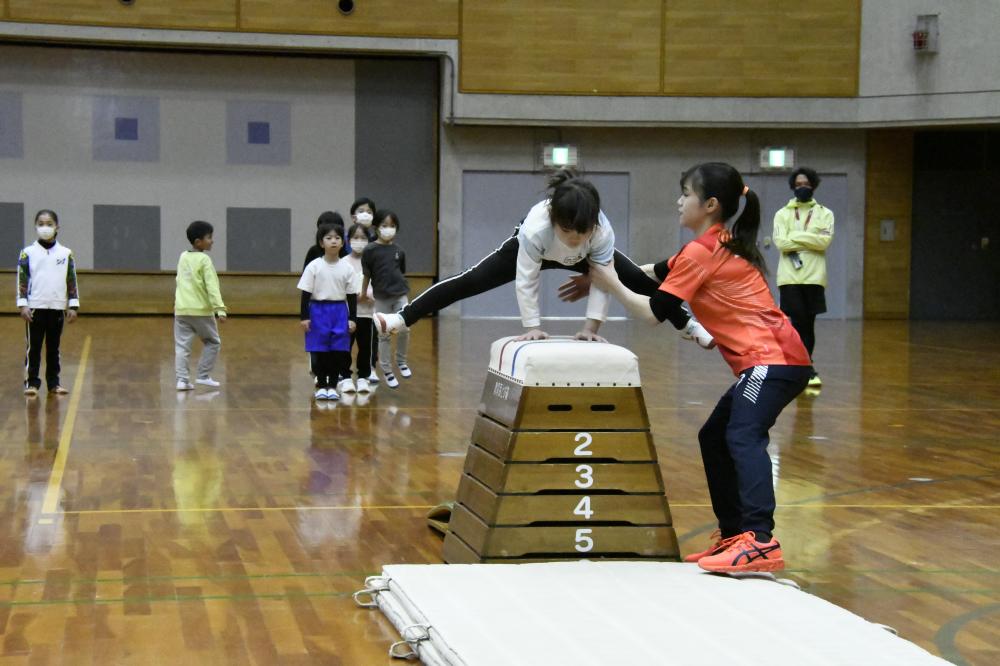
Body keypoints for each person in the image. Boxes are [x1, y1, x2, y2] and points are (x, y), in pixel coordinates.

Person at [589, 162, 812, 573]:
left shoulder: (702, 251)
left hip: (772, 359)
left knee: (743, 435)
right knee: (715, 436)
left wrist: (608, 284)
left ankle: (760, 540)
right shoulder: (712, 245)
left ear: (709, 205)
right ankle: (734, 536)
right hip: (775, 361)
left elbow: (652, 312)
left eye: (685, 193)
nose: (678, 201)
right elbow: (650, 273)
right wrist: (596, 271)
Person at [372, 169, 666, 344]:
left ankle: (689, 324)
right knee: (471, 280)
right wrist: (532, 327)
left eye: (582, 231)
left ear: (593, 225)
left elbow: (604, 282)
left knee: (637, 279)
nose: (574, 238)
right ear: (553, 221)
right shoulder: (536, 228)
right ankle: (401, 318)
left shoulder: (601, 231)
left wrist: (591, 328)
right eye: (567, 231)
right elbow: (527, 279)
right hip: (535, 248)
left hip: (584, 256)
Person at [772, 167, 834, 389]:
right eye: (798, 185)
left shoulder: (825, 213)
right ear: (792, 187)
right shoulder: (782, 214)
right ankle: (803, 367)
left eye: (805, 184)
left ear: (813, 185)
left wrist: (795, 236)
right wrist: (810, 239)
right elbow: (781, 243)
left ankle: (804, 368)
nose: (802, 188)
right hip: (790, 278)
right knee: (797, 322)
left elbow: (824, 242)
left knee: (808, 324)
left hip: (814, 278)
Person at [17, 209, 80, 396]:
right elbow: (22, 279)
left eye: (49, 224)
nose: (45, 227)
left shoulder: (66, 253)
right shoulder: (27, 253)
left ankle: (54, 383)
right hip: (35, 307)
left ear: (57, 227)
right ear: (36, 226)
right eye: (41, 223)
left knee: (54, 347)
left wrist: (73, 305)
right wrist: (23, 304)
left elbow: (71, 279)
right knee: (33, 347)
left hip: (57, 307)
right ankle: (32, 382)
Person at [299, 222, 358, 401]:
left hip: (339, 310)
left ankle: (332, 385)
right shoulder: (314, 266)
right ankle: (321, 384)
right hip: (318, 310)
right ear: (321, 242)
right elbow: (305, 293)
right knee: (318, 350)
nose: (333, 241)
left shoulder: (347, 268)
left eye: (337, 238)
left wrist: (352, 318)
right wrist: (304, 317)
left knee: (338, 350)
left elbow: (352, 296)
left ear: (343, 243)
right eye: (329, 238)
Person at [174, 220, 227, 391]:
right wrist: (220, 309)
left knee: (182, 346)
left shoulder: (183, 256)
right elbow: (212, 286)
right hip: (201, 311)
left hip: (181, 310)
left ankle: (182, 380)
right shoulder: (204, 260)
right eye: (209, 237)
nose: (212, 241)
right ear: (198, 242)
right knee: (213, 342)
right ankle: (203, 375)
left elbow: (179, 281)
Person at [361, 210, 410, 388]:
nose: (388, 229)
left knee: (405, 328)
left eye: (392, 226)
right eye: (384, 225)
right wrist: (363, 292)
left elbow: (401, 272)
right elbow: (366, 274)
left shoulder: (399, 251)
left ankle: (401, 361)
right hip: (381, 298)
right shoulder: (370, 250)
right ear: (376, 227)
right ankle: (387, 370)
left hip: (400, 294)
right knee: (384, 334)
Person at [344, 223, 376, 393]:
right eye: (355, 237)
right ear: (348, 240)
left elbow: (379, 285)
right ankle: (346, 376)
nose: (359, 241)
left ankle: (363, 376)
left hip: (368, 313)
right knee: (345, 346)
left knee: (365, 347)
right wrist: (353, 295)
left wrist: (368, 294)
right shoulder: (343, 262)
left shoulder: (373, 262)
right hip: (348, 313)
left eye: (363, 237)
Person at [350, 198, 379, 383]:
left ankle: (369, 369)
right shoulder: (344, 247)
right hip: (350, 307)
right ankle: (341, 372)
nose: (365, 214)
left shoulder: (377, 246)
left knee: (370, 340)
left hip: (370, 308)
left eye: (369, 211)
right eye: (361, 210)